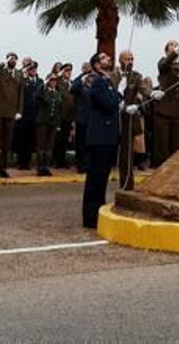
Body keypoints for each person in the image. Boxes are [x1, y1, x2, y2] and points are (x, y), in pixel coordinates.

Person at [79, 53, 121, 229]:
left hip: (107, 137)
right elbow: (109, 104)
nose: (109, 60)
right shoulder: (98, 82)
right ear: (96, 65)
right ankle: (90, 218)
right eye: (104, 58)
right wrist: (119, 94)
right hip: (99, 137)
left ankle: (98, 213)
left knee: (102, 178)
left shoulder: (107, 82)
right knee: (95, 179)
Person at [150, 41, 179, 166]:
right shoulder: (163, 62)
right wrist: (173, 54)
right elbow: (164, 65)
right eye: (172, 45)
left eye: (176, 44)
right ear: (167, 50)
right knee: (163, 146)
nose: (175, 46)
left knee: (177, 146)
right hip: (164, 111)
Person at [113, 51, 147, 189]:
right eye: (127, 59)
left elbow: (143, 89)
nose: (130, 61)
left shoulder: (136, 76)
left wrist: (153, 93)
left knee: (128, 153)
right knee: (118, 152)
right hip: (115, 117)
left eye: (132, 58)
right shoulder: (113, 75)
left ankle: (127, 184)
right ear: (120, 60)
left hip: (130, 118)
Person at [34, 67, 68, 177]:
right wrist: (44, 84)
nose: (53, 82)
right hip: (42, 121)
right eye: (51, 80)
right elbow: (37, 96)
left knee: (49, 146)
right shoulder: (43, 92)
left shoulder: (58, 93)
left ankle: (46, 167)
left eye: (55, 81)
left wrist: (58, 124)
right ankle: (40, 167)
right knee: (41, 145)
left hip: (53, 123)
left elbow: (59, 109)